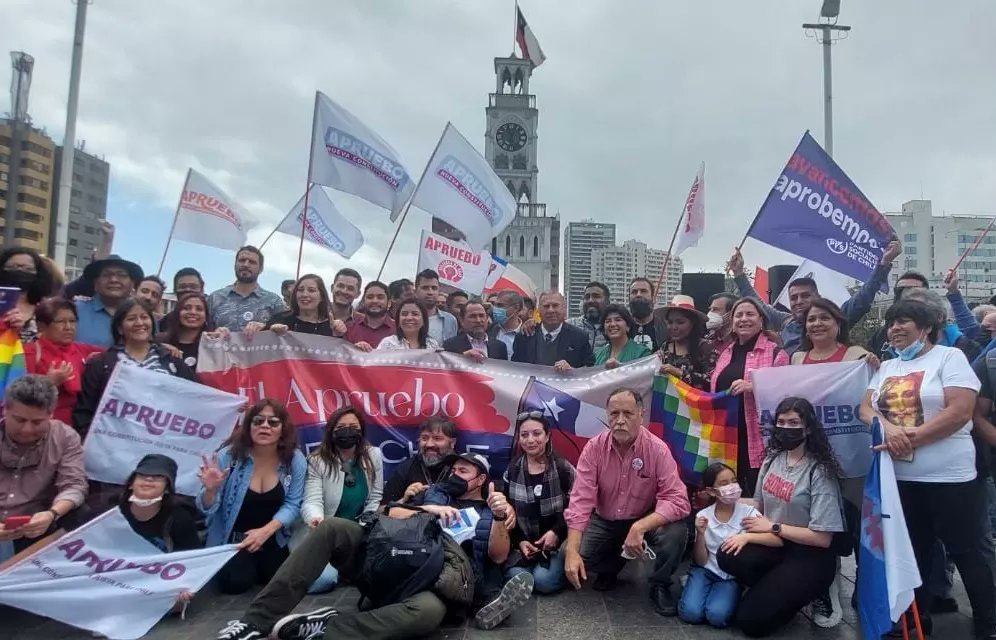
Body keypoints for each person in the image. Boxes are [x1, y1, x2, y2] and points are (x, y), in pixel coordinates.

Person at [859, 299, 996, 639]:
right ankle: (914, 621)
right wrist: (888, 429)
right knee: (912, 553)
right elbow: (865, 407)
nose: (895, 329)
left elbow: (961, 411)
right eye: (891, 323)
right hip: (900, 480)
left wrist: (912, 438)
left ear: (927, 328)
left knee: (969, 552)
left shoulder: (950, 358)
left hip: (951, 479)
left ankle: (989, 623)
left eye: (904, 321)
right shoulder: (888, 367)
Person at [716, 397, 846, 638]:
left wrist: (773, 526)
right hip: (775, 544)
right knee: (727, 553)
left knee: (751, 622)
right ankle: (778, 589)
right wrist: (721, 498)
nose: (786, 428)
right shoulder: (773, 458)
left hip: (810, 554)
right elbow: (759, 504)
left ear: (807, 428)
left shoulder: (820, 471)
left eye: (794, 422)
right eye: (781, 422)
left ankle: (815, 590)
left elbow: (822, 538)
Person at [564, 387, 690, 615]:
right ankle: (612, 565)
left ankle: (659, 584)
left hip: (644, 517)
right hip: (605, 519)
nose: (620, 420)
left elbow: (678, 500)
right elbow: (580, 501)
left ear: (641, 415)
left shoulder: (657, 450)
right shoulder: (594, 449)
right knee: (570, 553)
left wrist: (640, 526)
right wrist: (572, 551)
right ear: (607, 414)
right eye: (614, 414)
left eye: (628, 414)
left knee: (676, 533)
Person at [790, 297, 878, 626]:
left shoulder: (856, 357)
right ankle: (825, 588)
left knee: (859, 527)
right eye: (811, 319)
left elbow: (874, 393)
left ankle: (865, 590)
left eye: (824, 318)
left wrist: (874, 365)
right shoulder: (797, 358)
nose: (817, 324)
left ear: (837, 322)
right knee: (818, 524)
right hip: (813, 458)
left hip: (852, 458)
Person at [393, 452, 527, 630]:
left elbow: (498, 557)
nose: (455, 475)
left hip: (467, 574)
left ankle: (489, 603)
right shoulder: (434, 494)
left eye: (462, 471)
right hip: (426, 564)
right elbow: (392, 514)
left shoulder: (493, 509)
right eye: (453, 470)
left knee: (486, 573)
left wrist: (498, 517)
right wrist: (429, 509)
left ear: (480, 480)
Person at [197, 399, 307, 595]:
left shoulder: (295, 459)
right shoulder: (227, 457)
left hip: (273, 538)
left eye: (273, 422)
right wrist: (211, 491)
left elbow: (293, 503)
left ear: (283, 429)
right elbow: (206, 508)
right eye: (258, 421)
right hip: (235, 541)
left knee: (280, 584)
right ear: (249, 427)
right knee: (235, 584)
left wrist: (265, 532)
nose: (265, 426)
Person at [728, 241, 901, 355]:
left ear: (818, 297)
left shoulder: (835, 319)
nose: (799, 301)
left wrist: (883, 265)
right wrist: (739, 274)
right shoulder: (786, 322)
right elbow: (759, 305)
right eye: (793, 298)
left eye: (805, 296)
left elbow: (862, 298)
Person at [73, 298, 198, 442]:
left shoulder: (172, 361)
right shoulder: (100, 364)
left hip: (163, 447)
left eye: (144, 317)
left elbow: (195, 400)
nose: (139, 323)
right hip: (113, 449)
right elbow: (85, 412)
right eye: (132, 318)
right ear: (120, 328)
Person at [297, 406, 384, 594]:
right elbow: (311, 500)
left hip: (357, 530)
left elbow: (375, 496)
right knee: (323, 582)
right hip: (324, 531)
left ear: (361, 430)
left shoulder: (373, 455)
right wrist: (316, 521)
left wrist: (366, 522)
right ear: (331, 431)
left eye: (353, 426)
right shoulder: (317, 460)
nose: (348, 431)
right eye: (341, 426)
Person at [678, 462, 775, 629]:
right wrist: (700, 534)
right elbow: (701, 561)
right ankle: (694, 584)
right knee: (690, 614)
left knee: (717, 617)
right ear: (710, 491)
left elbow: (776, 540)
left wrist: (748, 537)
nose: (732, 487)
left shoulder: (749, 513)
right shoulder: (703, 516)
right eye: (724, 484)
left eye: (733, 481)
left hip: (730, 575)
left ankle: (728, 593)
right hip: (706, 570)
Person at [711, 297, 790, 494]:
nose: (744, 319)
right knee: (730, 496)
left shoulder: (777, 353)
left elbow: (787, 394)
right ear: (732, 323)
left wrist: (754, 386)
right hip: (727, 439)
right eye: (739, 315)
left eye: (750, 314)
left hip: (758, 440)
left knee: (759, 496)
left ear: (761, 320)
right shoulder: (725, 354)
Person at [0, 375, 88, 553]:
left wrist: (52, 514)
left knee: (82, 512)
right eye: (20, 420)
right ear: (5, 410)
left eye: (37, 422)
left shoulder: (65, 437)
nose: (27, 429)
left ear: (51, 414)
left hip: (36, 528)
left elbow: (74, 485)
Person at [504, 412, 575, 595]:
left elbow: (579, 508)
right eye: (524, 435)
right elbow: (508, 512)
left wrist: (557, 532)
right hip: (526, 544)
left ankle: (542, 573)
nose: (530, 440)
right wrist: (520, 541)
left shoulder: (563, 468)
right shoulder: (512, 470)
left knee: (545, 582)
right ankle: (532, 572)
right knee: (513, 574)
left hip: (559, 543)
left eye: (537, 433)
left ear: (547, 435)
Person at [867, 270, 980, 360]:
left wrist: (954, 293)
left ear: (938, 316)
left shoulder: (959, 352)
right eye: (900, 290)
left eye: (916, 314)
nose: (896, 328)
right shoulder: (888, 355)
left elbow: (973, 332)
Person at [23, 298, 103, 424]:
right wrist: (48, 383)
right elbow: (16, 396)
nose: (68, 327)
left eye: (72, 321)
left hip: (77, 426)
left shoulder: (82, 350)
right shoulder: (29, 353)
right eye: (60, 322)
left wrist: (96, 364)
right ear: (42, 326)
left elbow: (115, 355)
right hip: (43, 426)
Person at [120, 454, 200, 552]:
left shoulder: (180, 519)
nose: (149, 479)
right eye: (142, 475)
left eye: (158, 476)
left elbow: (190, 557)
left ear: (167, 489)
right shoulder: (112, 511)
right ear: (131, 484)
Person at [381, 416, 458, 505]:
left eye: (437, 438)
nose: (429, 444)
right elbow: (381, 511)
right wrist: (403, 501)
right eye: (424, 438)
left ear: (452, 443)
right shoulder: (405, 469)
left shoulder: (461, 471)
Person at [208, 246, 286, 331]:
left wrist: (266, 327)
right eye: (242, 260)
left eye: (252, 262)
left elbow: (282, 336)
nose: (246, 264)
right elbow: (204, 334)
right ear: (235, 264)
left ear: (261, 269)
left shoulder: (274, 301)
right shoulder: (215, 298)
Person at [513, 290, 594, 371]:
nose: (551, 310)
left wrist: (572, 370)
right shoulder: (524, 337)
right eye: (546, 306)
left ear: (564, 309)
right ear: (539, 311)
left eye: (555, 305)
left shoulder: (579, 337)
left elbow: (589, 369)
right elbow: (515, 369)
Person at [74, 254, 144, 347]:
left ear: (133, 283)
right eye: (106, 275)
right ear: (95, 283)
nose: (113, 279)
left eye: (121, 275)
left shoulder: (145, 317)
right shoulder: (75, 311)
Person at [244, 274, 336, 338]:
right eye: (300, 290)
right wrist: (269, 332)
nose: (305, 294)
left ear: (322, 297)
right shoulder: (279, 319)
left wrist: (337, 335)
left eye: (311, 290)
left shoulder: (331, 326)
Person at [657, 294, 717, 391]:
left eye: (680, 322)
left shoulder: (706, 347)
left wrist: (680, 373)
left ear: (693, 323)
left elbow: (713, 381)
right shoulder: (665, 347)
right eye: (670, 322)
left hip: (696, 404)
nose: (674, 327)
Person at [0, 246, 57, 344]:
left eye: (28, 268)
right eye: (12, 267)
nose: (19, 271)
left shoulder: (49, 307)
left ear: (38, 273)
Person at [156, 292, 213, 371]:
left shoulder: (212, 346)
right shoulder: (158, 340)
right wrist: (159, 347)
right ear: (177, 313)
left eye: (199, 309)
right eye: (187, 308)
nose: (193, 312)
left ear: (206, 316)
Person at [443, 301, 509, 362]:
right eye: (472, 316)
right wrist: (463, 358)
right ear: (462, 321)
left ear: (487, 319)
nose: (478, 320)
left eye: (481, 316)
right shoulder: (450, 345)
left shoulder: (500, 347)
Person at [343, 281, 395, 352]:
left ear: (389, 303)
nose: (375, 301)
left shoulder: (398, 330)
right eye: (370, 297)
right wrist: (354, 350)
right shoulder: (349, 329)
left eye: (380, 297)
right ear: (364, 302)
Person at [159, 267, 207, 334]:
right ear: (175, 290)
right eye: (182, 287)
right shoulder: (164, 322)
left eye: (193, 286)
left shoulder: (213, 320)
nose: (187, 290)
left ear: (202, 290)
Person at [414, 269, 457, 343]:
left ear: (438, 291)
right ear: (415, 292)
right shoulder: (407, 318)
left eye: (434, 288)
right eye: (425, 288)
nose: (430, 292)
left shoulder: (450, 320)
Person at [568, 281, 610, 351]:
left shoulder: (615, 327)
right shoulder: (570, 326)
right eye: (587, 297)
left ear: (607, 302)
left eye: (596, 296)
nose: (590, 300)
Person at [488, 289, 524, 360]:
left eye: (500, 305)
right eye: (495, 305)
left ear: (516, 308)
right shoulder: (489, 330)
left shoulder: (528, 332)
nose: (495, 309)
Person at [628, 277, 658, 351]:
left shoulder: (664, 327)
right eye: (634, 292)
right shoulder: (622, 327)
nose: (638, 295)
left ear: (653, 298)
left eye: (643, 291)